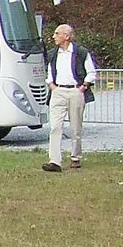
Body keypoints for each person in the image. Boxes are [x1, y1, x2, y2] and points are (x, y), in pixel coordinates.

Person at [42, 23, 98, 172]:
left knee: (75, 127)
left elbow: (91, 72)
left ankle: (76, 157)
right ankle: (54, 161)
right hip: (58, 91)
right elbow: (49, 72)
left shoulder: (80, 52)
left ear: (66, 36)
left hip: (75, 91)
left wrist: (83, 86)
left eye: (56, 33)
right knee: (55, 127)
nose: (53, 36)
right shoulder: (53, 54)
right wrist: (52, 85)